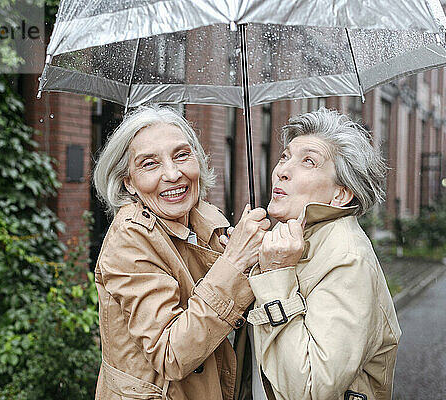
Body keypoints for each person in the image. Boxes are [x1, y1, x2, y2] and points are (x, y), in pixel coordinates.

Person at [92, 105, 269, 400]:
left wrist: (259, 263)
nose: (173, 174)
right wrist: (234, 263)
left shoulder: (204, 222)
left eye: (181, 155)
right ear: (128, 182)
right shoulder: (129, 241)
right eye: (149, 164)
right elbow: (171, 355)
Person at [246, 108, 401, 400]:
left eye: (308, 161)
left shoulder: (347, 260)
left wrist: (277, 274)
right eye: (285, 156)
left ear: (341, 194)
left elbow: (310, 389)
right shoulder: (294, 240)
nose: (282, 170)